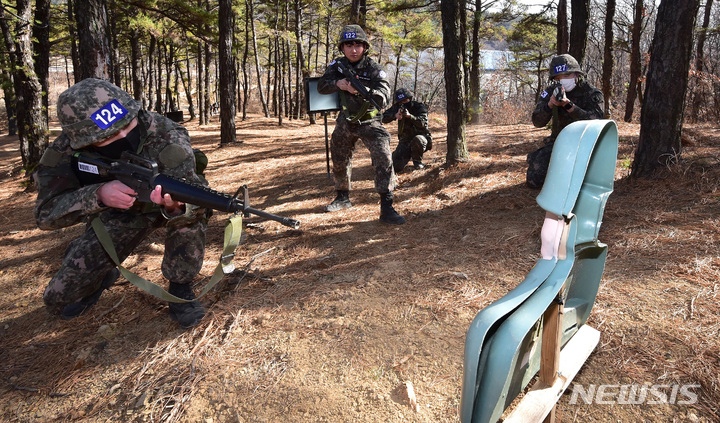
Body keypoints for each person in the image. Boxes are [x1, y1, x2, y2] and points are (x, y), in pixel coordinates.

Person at [33, 78, 210, 328]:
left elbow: (193, 193)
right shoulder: (64, 152)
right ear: (84, 140)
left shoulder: (167, 133)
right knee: (59, 302)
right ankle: (102, 267)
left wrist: (174, 207)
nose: (124, 135)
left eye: (128, 124)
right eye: (110, 135)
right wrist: (99, 195)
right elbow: (45, 215)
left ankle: (180, 288)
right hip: (120, 212)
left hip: (166, 207)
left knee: (189, 213)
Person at [317, 24, 405, 225]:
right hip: (346, 120)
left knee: (383, 156)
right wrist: (338, 84)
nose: (353, 50)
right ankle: (342, 197)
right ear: (342, 48)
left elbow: (384, 95)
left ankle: (387, 205)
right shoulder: (337, 66)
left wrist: (364, 90)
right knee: (339, 156)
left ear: (365, 47)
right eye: (349, 45)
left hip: (370, 121)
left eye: (358, 45)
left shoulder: (374, 69)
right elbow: (321, 86)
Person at [527, 54, 604, 188]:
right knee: (534, 180)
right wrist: (549, 105)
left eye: (567, 76)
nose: (563, 80)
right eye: (559, 78)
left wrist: (569, 106)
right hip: (559, 142)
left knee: (582, 183)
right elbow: (537, 122)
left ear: (577, 75)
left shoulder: (591, 93)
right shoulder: (551, 91)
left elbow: (597, 121)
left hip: (584, 143)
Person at [382, 88, 433, 172]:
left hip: (422, 139)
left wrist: (410, 117)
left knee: (418, 140)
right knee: (394, 167)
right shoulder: (397, 108)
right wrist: (395, 115)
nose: (403, 104)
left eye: (405, 101)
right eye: (401, 102)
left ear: (410, 99)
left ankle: (417, 162)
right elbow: (383, 118)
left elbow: (423, 123)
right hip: (405, 141)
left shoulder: (419, 107)